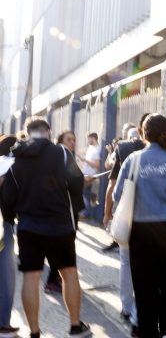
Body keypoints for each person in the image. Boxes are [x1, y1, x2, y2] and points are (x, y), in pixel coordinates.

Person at [0, 117, 91, 337]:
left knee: (31, 277)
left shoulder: (16, 157)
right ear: (48, 132)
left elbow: (8, 197)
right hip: (60, 225)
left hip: (29, 227)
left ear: (28, 133)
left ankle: (34, 331)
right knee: (69, 273)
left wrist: (11, 219)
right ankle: (75, 326)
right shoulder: (61, 153)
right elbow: (77, 183)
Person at [113, 113, 166, 338]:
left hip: (140, 231)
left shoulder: (133, 160)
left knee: (144, 286)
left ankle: (148, 331)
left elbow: (118, 194)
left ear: (143, 133)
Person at [103, 116, 149, 336]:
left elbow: (113, 188)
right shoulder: (165, 155)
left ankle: (126, 307)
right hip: (151, 220)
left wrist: (108, 213)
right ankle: (139, 313)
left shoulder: (123, 151)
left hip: (127, 215)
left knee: (126, 263)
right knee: (144, 267)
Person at [44, 130, 84, 295]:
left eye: (74, 140)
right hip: (65, 210)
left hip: (58, 209)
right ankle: (54, 280)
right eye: (69, 139)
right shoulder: (64, 154)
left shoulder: (56, 156)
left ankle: (56, 279)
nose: (72, 142)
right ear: (60, 140)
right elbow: (76, 181)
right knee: (64, 246)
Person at [0, 135, 20, 337]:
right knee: (6, 277)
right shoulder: (10, 165)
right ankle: (2, 324)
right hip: (3, 225)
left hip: (5, 223)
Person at [78, 132, 101, 218]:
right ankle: (86, 212)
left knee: (88, 194)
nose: (87, 141)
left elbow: (97, 165)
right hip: (85, 174)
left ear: (93, 138)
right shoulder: (91, 148)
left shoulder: (98, 149)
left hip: (92, 176)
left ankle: (87, 213)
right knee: (85, 194)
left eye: (88, 139)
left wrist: (84, 160)